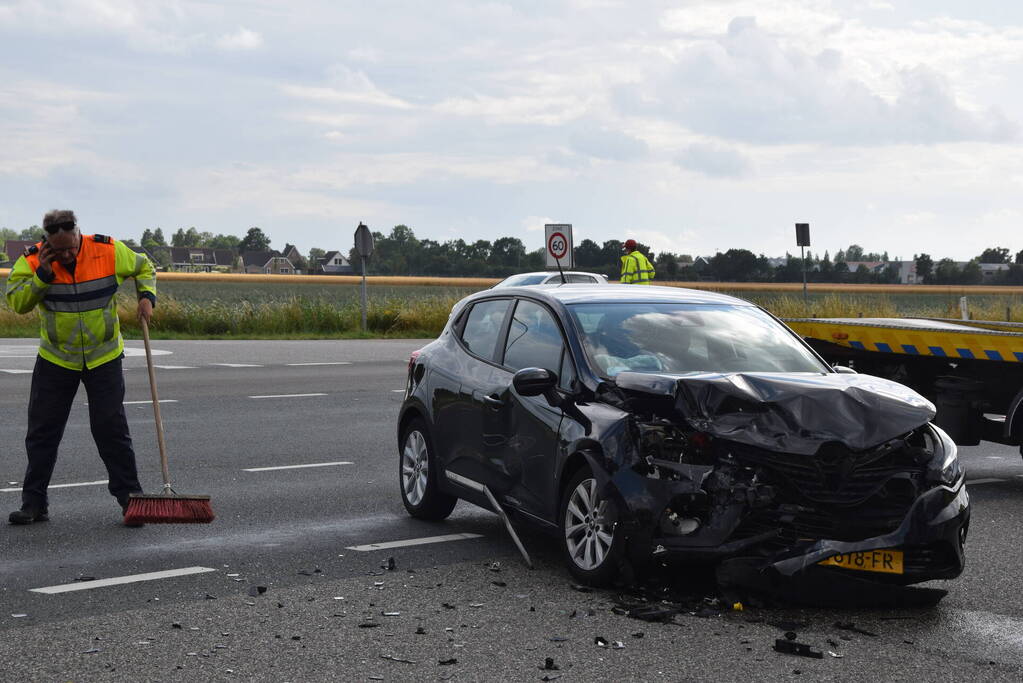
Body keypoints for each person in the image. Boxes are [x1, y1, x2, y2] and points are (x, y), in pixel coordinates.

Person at [4, 210, 157, 526]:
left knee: (110, 428)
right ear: (46, 242)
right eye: (59, 250)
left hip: (104, 356)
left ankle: (132, 500)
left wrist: (146, 298)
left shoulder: (108, 250)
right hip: (57, 359)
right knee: (42, 432)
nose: (68, 254)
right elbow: (17, 303)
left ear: (78, 234)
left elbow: (145, 266)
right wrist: (43, 276)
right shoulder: (33, 261)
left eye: (72, 247)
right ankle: (34, 503)